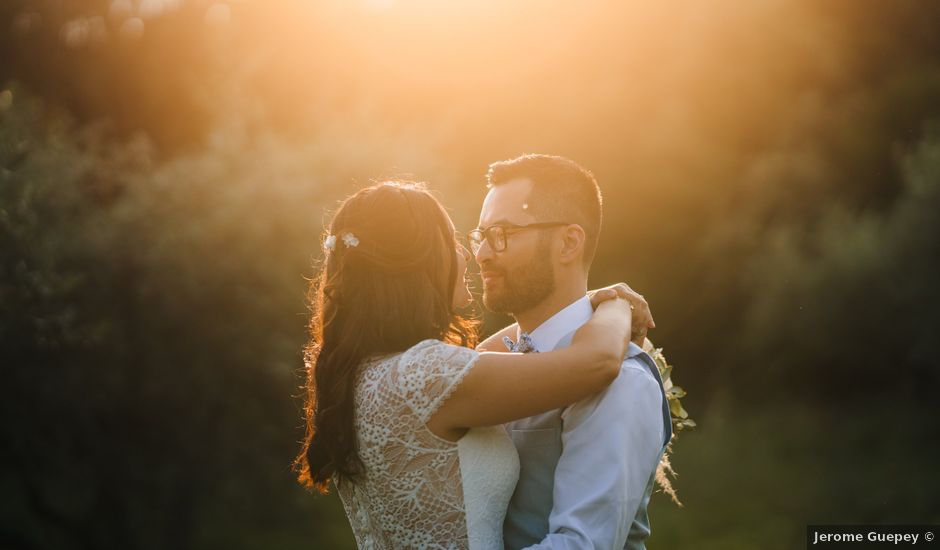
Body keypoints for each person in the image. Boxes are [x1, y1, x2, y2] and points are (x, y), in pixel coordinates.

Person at [293, 181, 651, 549]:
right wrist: (617, 304)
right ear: (418, 265)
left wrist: (586, 301)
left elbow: (511, 346)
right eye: (450, 241)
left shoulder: (368, 374)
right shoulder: (429, 374)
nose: (470, 254)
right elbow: (598, 361)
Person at [471, 154, 673, 549]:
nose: (482, 255)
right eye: (481, 236)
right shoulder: (498, 358)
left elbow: (582, 545)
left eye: (503, 233)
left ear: (568, 243)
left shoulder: (622, 380)